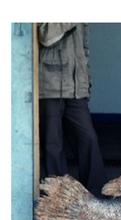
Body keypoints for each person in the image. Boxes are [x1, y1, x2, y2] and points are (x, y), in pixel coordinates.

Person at [38, 23, 106, 196]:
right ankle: (57, 197)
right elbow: (45, 37)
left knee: (88, 137)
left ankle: (95, 194)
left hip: (76, 89)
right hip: (50, 85)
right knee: (53, 144)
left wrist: (86, 83)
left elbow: (84, 51)